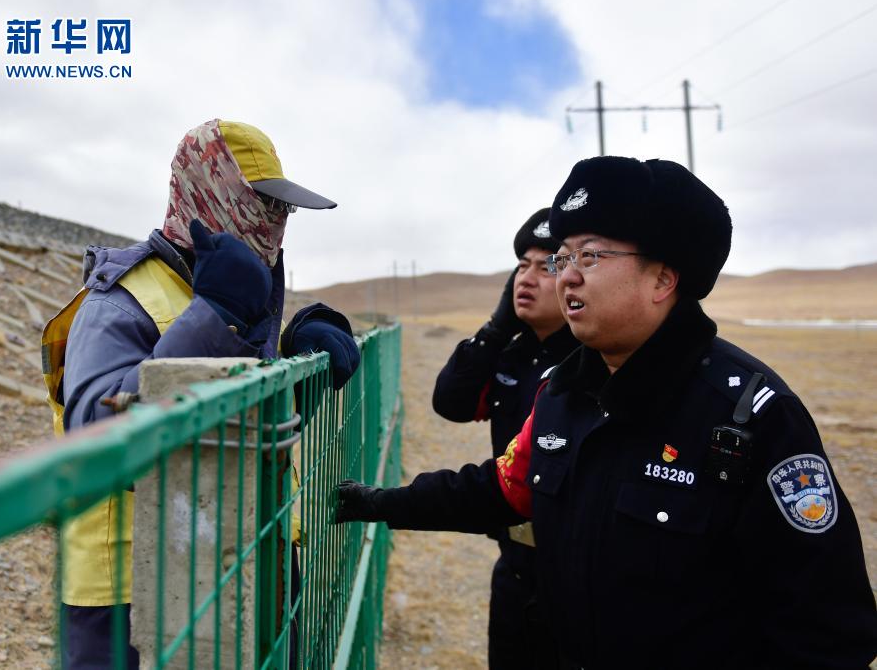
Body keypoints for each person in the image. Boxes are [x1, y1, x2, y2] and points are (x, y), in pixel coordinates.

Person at [335, 156, 877, 668]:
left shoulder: (750, 417)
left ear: (663, 278)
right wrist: (378, 503)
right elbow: (503, 490)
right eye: (563, 258)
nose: (566, 276)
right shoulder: (561, 393)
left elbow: (829, 631)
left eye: (589, 257)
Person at [42, 119, 360, 669]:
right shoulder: (118, 302)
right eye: (263, 202)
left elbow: (240, 418)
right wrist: (214, 317)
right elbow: (95, 435)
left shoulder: (235, 289)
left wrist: (297, 360)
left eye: (284, 208)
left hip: (239, 555)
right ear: (209, 188)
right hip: (131, 594)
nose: (277, 221)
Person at [432, 207, 577, 668]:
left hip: (575, 575)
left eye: (546, 266)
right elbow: (450, 402)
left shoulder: (591, 359)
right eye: (521, 266)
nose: (526, 279)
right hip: (514, 566)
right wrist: (495, 330)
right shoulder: (511, 355)